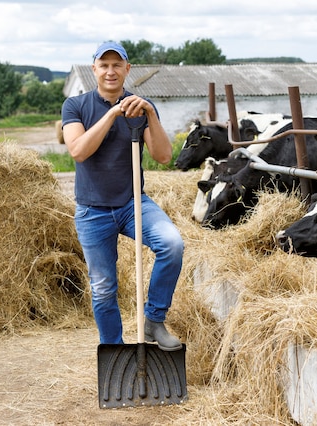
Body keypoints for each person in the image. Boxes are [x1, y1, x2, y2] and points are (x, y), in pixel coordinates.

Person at [61, 41, 184, 351]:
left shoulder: (142, 106)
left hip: (132, 203)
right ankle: (115, 351)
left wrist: (149, 116)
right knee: (103, 288)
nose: (111, 71)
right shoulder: (75, 106)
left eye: (117, 65)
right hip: (92, 211)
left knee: (172, 244)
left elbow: (164, 156)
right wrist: (114, 114)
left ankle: (154, 319)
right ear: (95, 70)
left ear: (127, 69)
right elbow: (78, 150)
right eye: (104, 65)